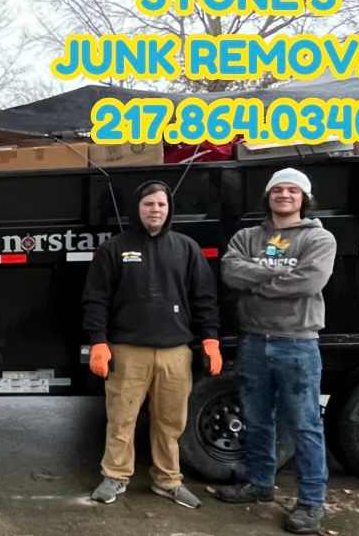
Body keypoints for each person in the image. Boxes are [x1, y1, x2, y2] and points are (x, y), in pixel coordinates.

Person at [82, 180, 222, 509]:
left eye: (161, 204)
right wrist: (98, 342)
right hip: (128, 352)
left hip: (176, 353)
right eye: (148, 204)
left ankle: (168, 480)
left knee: (170, 422)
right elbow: (95, 300)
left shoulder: (186, 248)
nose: (155, 210)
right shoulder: (114, 249)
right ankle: (115, 476)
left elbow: (204, 299)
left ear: (169, 209)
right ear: (137, 209)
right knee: (121, 418)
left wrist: (210, 338)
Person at [215, 168, 337, 535]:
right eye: (277, 190)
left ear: (304, 198)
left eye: (292, 190)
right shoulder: (246, 237)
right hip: (253, 340)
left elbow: (310, 280)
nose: (284, 195)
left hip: (297, 342)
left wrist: (258, 284)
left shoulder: (319, 238)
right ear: (268, 196)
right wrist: (278, 278)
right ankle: (259, 483)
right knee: (256, 419)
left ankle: (311, 502)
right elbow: (230, 272)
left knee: (304, 425)